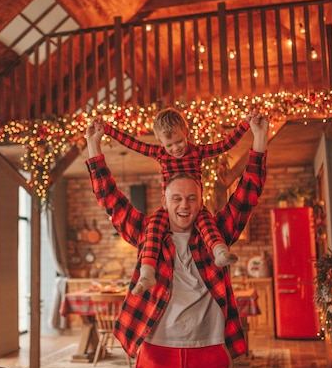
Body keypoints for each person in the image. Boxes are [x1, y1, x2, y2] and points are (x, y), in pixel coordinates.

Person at [85, 112, 268, 368]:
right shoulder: (148, 233)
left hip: (209, 348)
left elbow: (248, 192)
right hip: (157, 350)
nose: (184, 205)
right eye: (177, 199)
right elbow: (111, 199)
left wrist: (258, 137)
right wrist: (94, 146)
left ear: (200, 199)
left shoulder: (216, 232)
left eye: (192, 198)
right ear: (165, 201)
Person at [98, 108, 253, 295]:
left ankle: (219, 252)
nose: (176, 148)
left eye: (179, 141)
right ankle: (147, 273)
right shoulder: (159, 153)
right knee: (152, 230)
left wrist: (245, 124)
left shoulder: (196, 152)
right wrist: (107, 129)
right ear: (160, 142)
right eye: (169, 145)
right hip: (168, 210)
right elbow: (132, 143)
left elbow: (225, 145)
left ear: (186, 132)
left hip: (195, 206)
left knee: (206, 222)